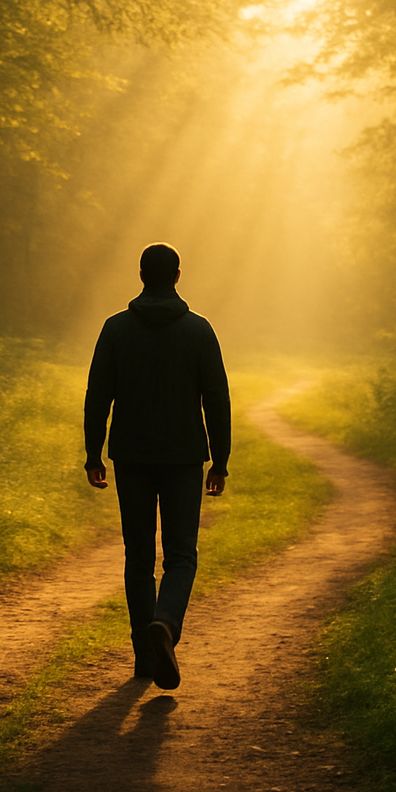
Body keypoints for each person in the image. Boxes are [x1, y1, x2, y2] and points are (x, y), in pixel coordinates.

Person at [83, 242, 230, 691]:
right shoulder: (199, 331)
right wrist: (219, 460)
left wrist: (94, 453)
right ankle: (165, 623)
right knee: (181, 555)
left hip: (131, 457)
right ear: (178, 276)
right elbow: (217, 399)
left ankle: (145, 658)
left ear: (142, 274)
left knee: (139, 557)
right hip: (184, 458)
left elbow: (98, 396)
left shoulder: (115, 329)